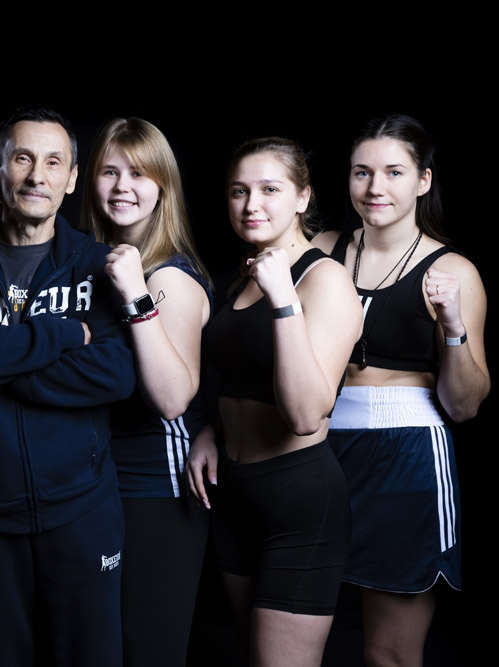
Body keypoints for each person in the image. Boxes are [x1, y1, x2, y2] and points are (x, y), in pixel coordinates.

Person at [0, 107, 135, 667]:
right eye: (22, 159)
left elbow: (113, 374)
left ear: (72, 178)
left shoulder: (97, 265)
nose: (37, 176)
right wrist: (62, 335)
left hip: (82, 510)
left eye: (53, 162)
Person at [312, 114, 489, 667]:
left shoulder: (453, 269)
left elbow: (465, 405)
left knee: (389, 652)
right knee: (286, 636)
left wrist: (452, 324)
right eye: (362, 172)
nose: (375, 187)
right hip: (313, 448)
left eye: (393, 172)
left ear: (423, 180)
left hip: (405, 455)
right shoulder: (322, 248)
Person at [188, 137, 362, 667]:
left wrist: (284, 299)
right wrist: (211, 430)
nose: (251, 205)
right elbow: (239, 376)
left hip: (297, 500)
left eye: (269, 189)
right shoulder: (240, 278)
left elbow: (307, 414)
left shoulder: (324, 278)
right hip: (232, 496)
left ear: (303, 197)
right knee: (246, 653)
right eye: (238, 191)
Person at [82, 117, 211, 667]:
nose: (122, 186)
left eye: (138, 173)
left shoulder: (167, 278)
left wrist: (137, 292)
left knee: (146, 651)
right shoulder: (86, 261)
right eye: (109, 172)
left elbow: (172, 399)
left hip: (156, 487)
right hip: (93, 485)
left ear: (163, 186)